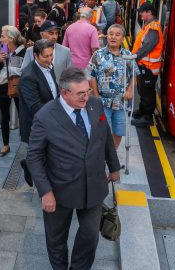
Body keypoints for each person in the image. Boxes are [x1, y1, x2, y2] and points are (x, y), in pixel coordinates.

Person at [26, 67, 121, 270]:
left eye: (87, 91)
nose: (86, 97)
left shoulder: (95, 104)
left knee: (90, 235)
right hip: (60, 190)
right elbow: (34, 156)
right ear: (65, 92)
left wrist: (114, 167)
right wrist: (46, 192)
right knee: (56, 238)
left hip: (94, 185)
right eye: (80, 93)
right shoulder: (45, 116)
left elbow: (104, 136)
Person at [87, 24, 134, 149]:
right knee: (102, 130)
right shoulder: (98, 54)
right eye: (111, 34)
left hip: (121, 102)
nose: (113, 37)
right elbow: (91, 76)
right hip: (103, 101)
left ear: (123, 38)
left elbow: (135, 75)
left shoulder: (128, 55)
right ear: (107, 36)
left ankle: (112, 154)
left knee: (119, 131)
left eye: (117, 35)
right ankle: (102, 154)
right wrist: (96, 96)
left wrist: (130, 90)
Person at [0, 25, 26, 157]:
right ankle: (5, 145)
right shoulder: (1, 51)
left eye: (3, 36)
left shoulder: (23, 52)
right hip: (2, 86)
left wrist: (10, 67)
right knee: (4, 117)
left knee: (22, 115)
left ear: (11, 38)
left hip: (18, 87)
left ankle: (25, 143)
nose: (0, 39)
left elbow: (24, 71)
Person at [19, 39, 58, 145]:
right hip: (37, 127)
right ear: (35, 55)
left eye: (51, 55)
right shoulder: (29, 76)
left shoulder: (48, 65)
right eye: (45, 56)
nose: (50, 59)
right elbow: (35, 106)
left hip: (49, 121)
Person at [131, 2, 164, 127]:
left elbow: (147, 46)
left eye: (142, 12)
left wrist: (134, 56)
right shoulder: (149, 26)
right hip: (144, 65)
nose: (140, 14)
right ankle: (142, 111)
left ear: (149, 12)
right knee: (143, 90)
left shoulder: (153, 27)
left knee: (147, 92)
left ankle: (147, 117)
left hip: (149, 67)